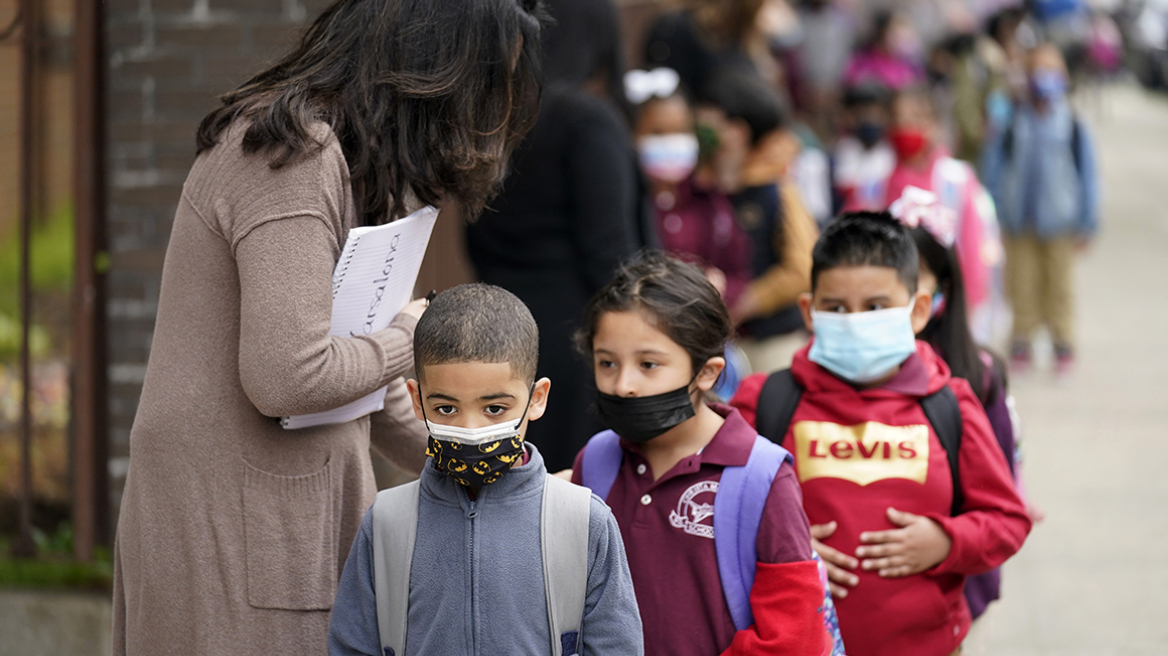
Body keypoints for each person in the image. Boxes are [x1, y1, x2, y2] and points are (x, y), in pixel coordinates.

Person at [110, 1, 547, 654]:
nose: (483, 111)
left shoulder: (358, 158)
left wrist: (486, 463)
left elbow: (361, 382)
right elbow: (288, 374)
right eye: (483, 82)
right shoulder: (292, 153)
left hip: (285, 506)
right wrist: (411, 338)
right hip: (230, 514)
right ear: (435, 64)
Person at [730, 213, 1032, 656]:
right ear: (808, 312)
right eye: (835, 308)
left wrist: (947, 541)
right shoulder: (764, 401)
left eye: (875, 307)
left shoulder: (951, 404)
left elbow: (1008, 520)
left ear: (920, 310)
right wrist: (781, 547)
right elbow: (714, 510)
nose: (854, 321)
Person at [328, 284, 642, 656]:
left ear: (536, 398)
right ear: (416, 400)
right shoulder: (386, 524)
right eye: (446, 409)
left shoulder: (584, 521)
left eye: (495, 408)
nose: (472, 431)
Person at [570, 253, 832, 656]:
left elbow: (794, 637)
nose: (623, 385)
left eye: (648, 365)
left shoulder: (762, 478)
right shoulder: (596, 462)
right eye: (607, 363)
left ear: (707, 373)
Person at [464, 0, 642, 471]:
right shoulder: (588, 121)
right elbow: (612, 256)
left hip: (499, 337)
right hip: (577, 345)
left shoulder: (492, 120)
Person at [889, 187, 1022, 622]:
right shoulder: (827, 381)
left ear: (941, 291)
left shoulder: (978, 378)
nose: (894, 296)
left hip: (955, 598)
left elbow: (1003, 500)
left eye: (912, 279)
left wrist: (948, 542)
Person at [981, 43, 1098, 376]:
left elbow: (1087, 174)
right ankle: (1022, 341)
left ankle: (1063, 344)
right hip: (1020, 223)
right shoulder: (1012, 121)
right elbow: (995, 170)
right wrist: (995, 216)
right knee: (1021, 284)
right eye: (1037, 69)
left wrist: (1088, 221)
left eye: (1052, 70)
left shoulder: (1073, 122)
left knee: (1059, 287)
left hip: (1060, 222)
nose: (1044, 77)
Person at [697, 71, 820, 373]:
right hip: (707, 343)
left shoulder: (777, 187)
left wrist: (748, 300)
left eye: (710, 118)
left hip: (771, 341)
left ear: (737, 131)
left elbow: (803, 267)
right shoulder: (699, 185)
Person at [883, 87, 1003, 345]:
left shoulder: (956, 181)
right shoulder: (875, 181)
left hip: (948, 319)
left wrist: (968, 313)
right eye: (899, 118)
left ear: (936, 126)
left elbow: (974, 252)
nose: (907, 126)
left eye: (917, 117)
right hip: (889, 319)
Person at [627, 67, 753, 310]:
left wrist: (721, 287)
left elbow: (738, 271)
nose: (672, 141)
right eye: (658, 132)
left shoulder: (711, 202)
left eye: (681, 131)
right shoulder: (624, 202)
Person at [833, 84, 896, 212]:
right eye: (862, 113)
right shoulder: (836, 156)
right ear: (849, 116)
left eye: (876, 114)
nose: (870, 120)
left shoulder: (894, 156)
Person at [844, 10, 927, 91]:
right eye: (896, 35)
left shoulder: (910, 66)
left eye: (906, 37)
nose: (902, 41)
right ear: (882, 33)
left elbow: (921, 88)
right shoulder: (862, 62)